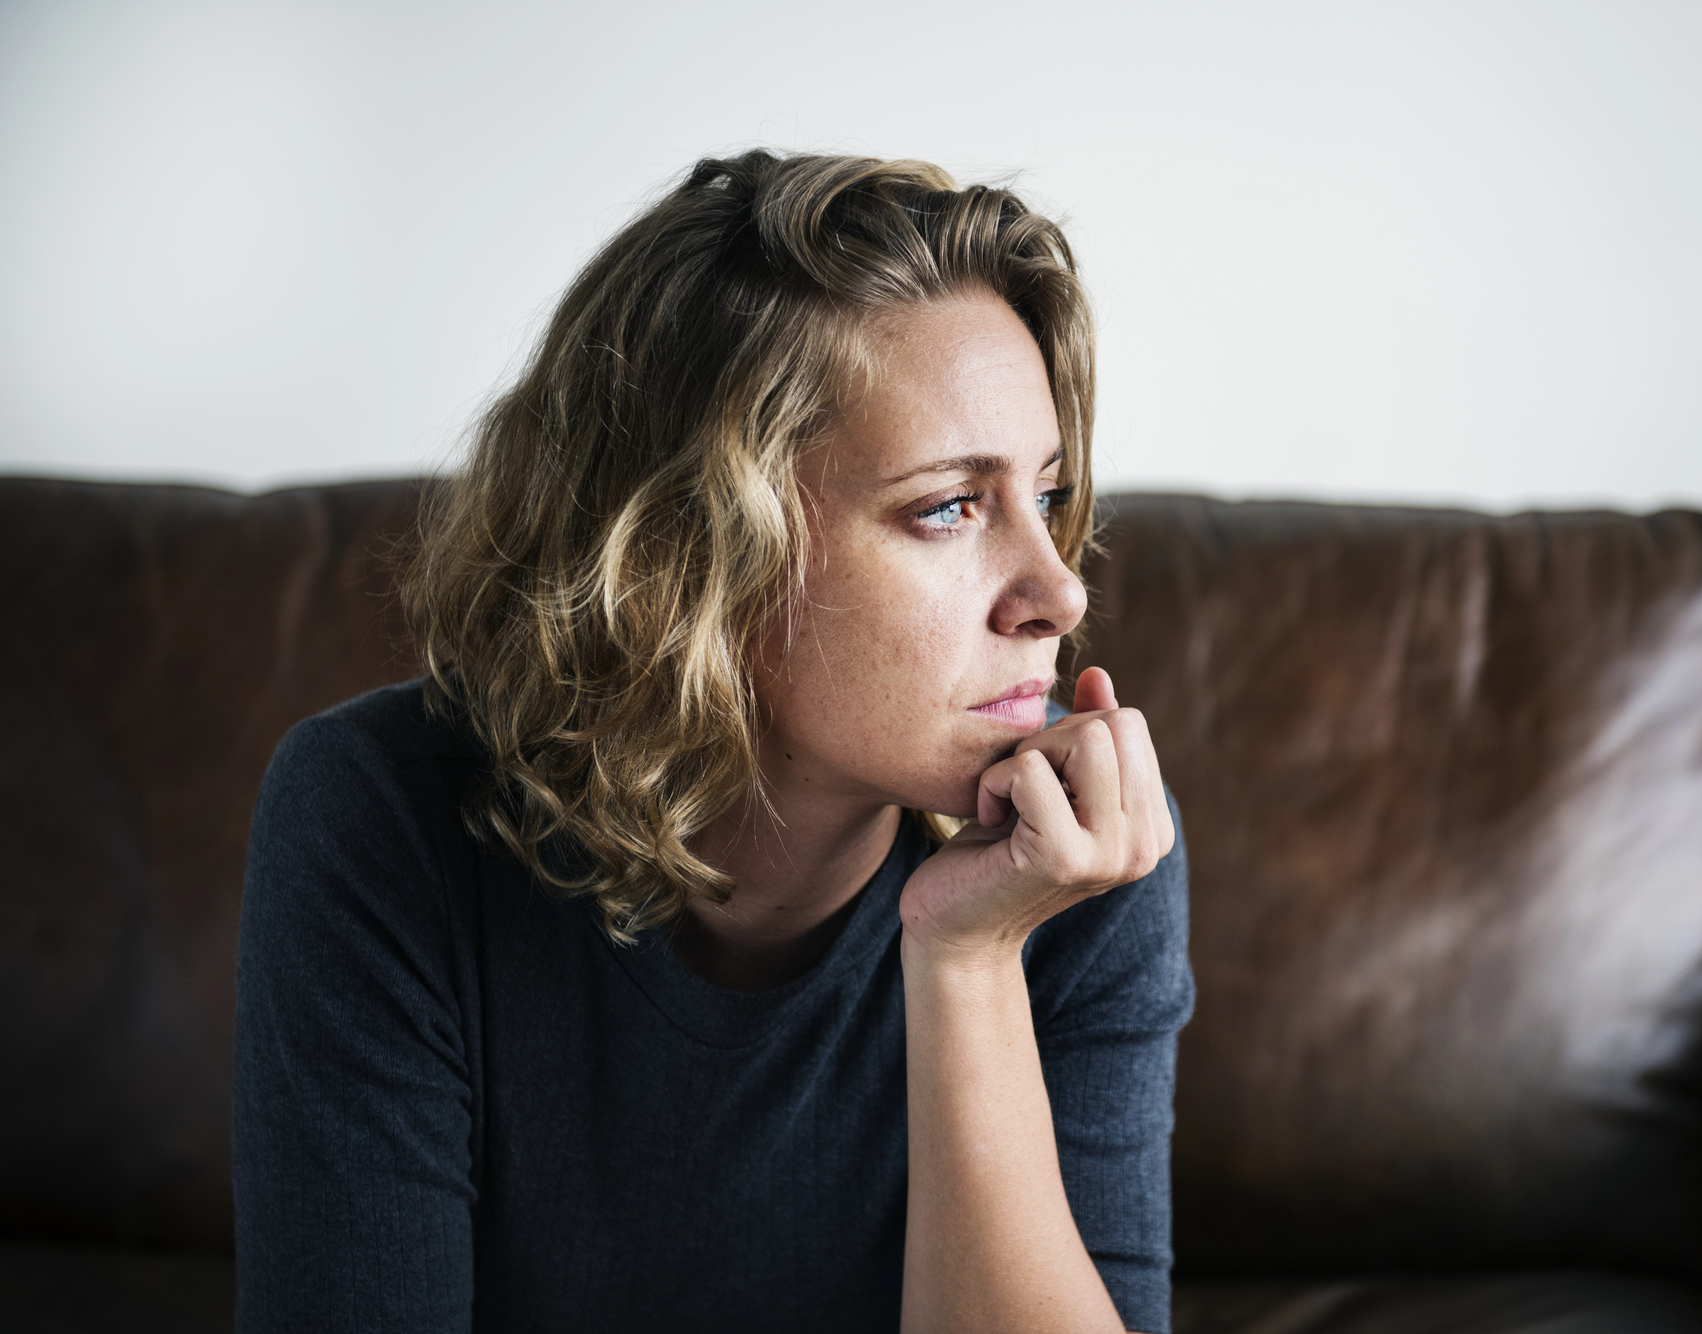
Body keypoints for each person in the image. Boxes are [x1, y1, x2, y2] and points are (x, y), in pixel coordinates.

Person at [231, 150, 1193, 1333]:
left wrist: (967, 961)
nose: (1058, 591)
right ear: (690, 555)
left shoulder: (1078, 852)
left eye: (1044, 496)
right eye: (947, 505)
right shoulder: (379, 816)